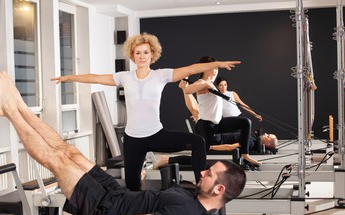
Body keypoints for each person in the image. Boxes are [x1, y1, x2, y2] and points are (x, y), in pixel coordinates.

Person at [0, 71, 246, 215]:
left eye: (209, 174)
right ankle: (20, 107)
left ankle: (10, 111)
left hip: (101, 207)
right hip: (115, 192)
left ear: (219, 190)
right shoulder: (195, 197)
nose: (202, 171)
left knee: (56, 159)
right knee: (68, 150)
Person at [51, 33, 241, 190]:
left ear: (152, 55)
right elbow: (96, 78)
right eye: (138, 53)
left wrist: (218, 64)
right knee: (132, 185)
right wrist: (69, 77)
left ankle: (201, 182)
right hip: (133, 139)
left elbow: (191, 68)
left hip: (156, 134)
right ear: (133, 56)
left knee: (198, 142)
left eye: (145, 52)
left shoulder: (161, 75)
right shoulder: (124, 77)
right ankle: (139, 180)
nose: (141, 56)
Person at [179, 56, 260, 167]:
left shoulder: (212, 83)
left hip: (218, 123)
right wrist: (201, 84)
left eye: (217, 67)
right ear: (205, 68)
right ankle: (169, 160)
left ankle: (244, 155)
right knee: (198, 158)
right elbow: (188, 90)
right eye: (214, 67)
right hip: (206, 126)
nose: (216, 69)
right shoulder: (202, 82)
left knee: (245, 122)